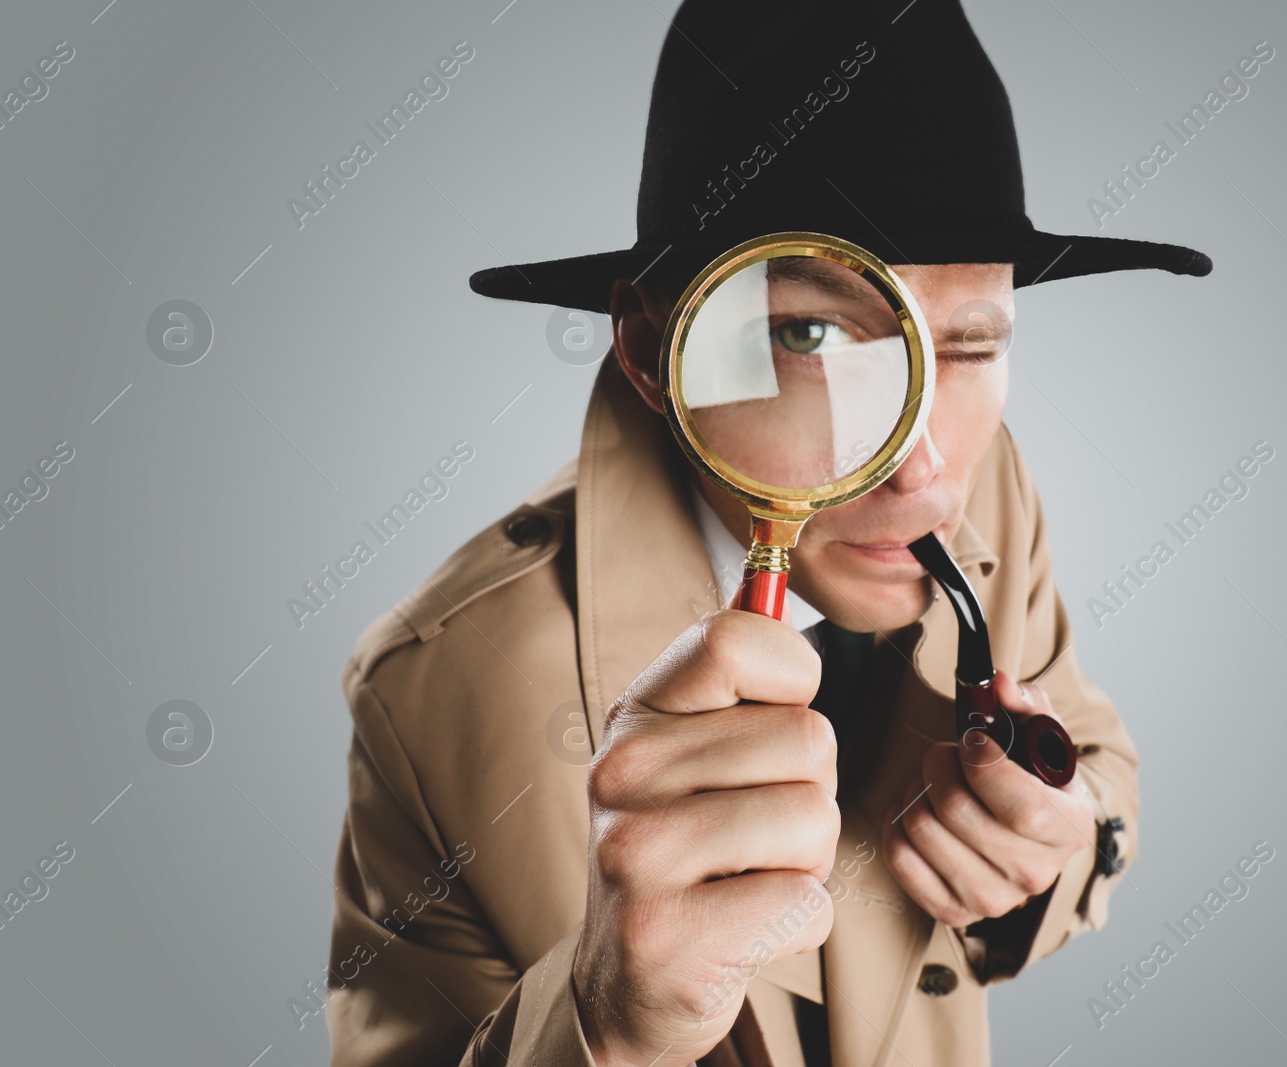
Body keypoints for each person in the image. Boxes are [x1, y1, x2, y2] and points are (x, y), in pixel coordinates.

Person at [323, 2, 1211, 1064]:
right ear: (656, 348)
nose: (924, 472)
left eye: (968, 345)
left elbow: (1093, 759)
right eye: (812, 335)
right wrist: (606, 1023)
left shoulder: (992, 486)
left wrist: (1048, 852)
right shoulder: (437, 686)